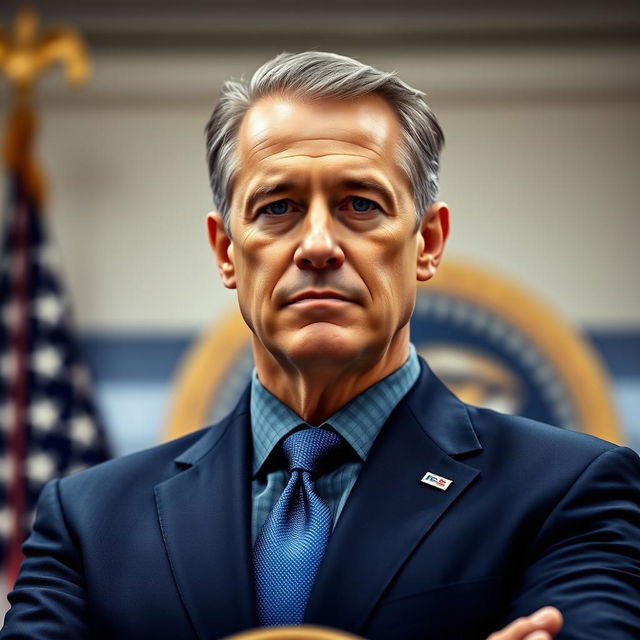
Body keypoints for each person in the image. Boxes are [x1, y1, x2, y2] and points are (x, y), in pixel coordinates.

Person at [2, 51, 639, 640]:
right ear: (226, 250)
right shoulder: (88, 523)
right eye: (277, 207)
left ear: (428, 243)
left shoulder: (571, 490)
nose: (316, 245)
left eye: (359, 204)